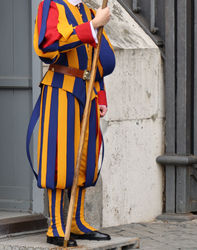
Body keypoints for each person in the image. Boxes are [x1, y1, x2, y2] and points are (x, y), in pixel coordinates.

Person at [26, 0, 115, 247]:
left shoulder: (87, 11)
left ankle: (76, 222)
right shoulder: (51, 5)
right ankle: (55, 226)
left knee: (84, 157)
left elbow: (96, 59)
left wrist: (101, 93)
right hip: (60, 89)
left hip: (87, 91)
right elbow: (48, 46)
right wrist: (92, 25)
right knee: (59, 158)